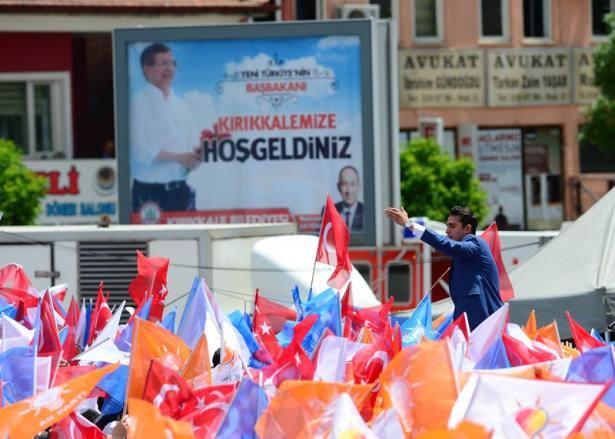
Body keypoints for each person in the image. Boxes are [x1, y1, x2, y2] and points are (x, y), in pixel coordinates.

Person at [385, 205, 503, 330]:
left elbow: (444, 244)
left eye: (452, 226)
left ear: (467, 228)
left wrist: (410, 224)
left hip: (484, 327)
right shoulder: (467, 252)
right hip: (474, 327)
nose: (447, 231)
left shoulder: (475, 244)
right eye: (447, 226)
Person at [129, 42, 201, 214]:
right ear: (148, 70)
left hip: (181, 191)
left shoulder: (182, 105)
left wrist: (197, 156)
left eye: (172, 63)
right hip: (149, 193)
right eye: (164, 63)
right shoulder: (137, 104)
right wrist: (178, 158)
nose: (170, 68)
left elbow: (190, 146)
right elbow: (140, 151)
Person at [335, 165, 364, 232]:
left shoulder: (366, 211)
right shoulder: (328, 211)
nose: (349, 191)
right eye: (344, 184)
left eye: (352, 184)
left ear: (359, 186)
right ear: (338, 187)